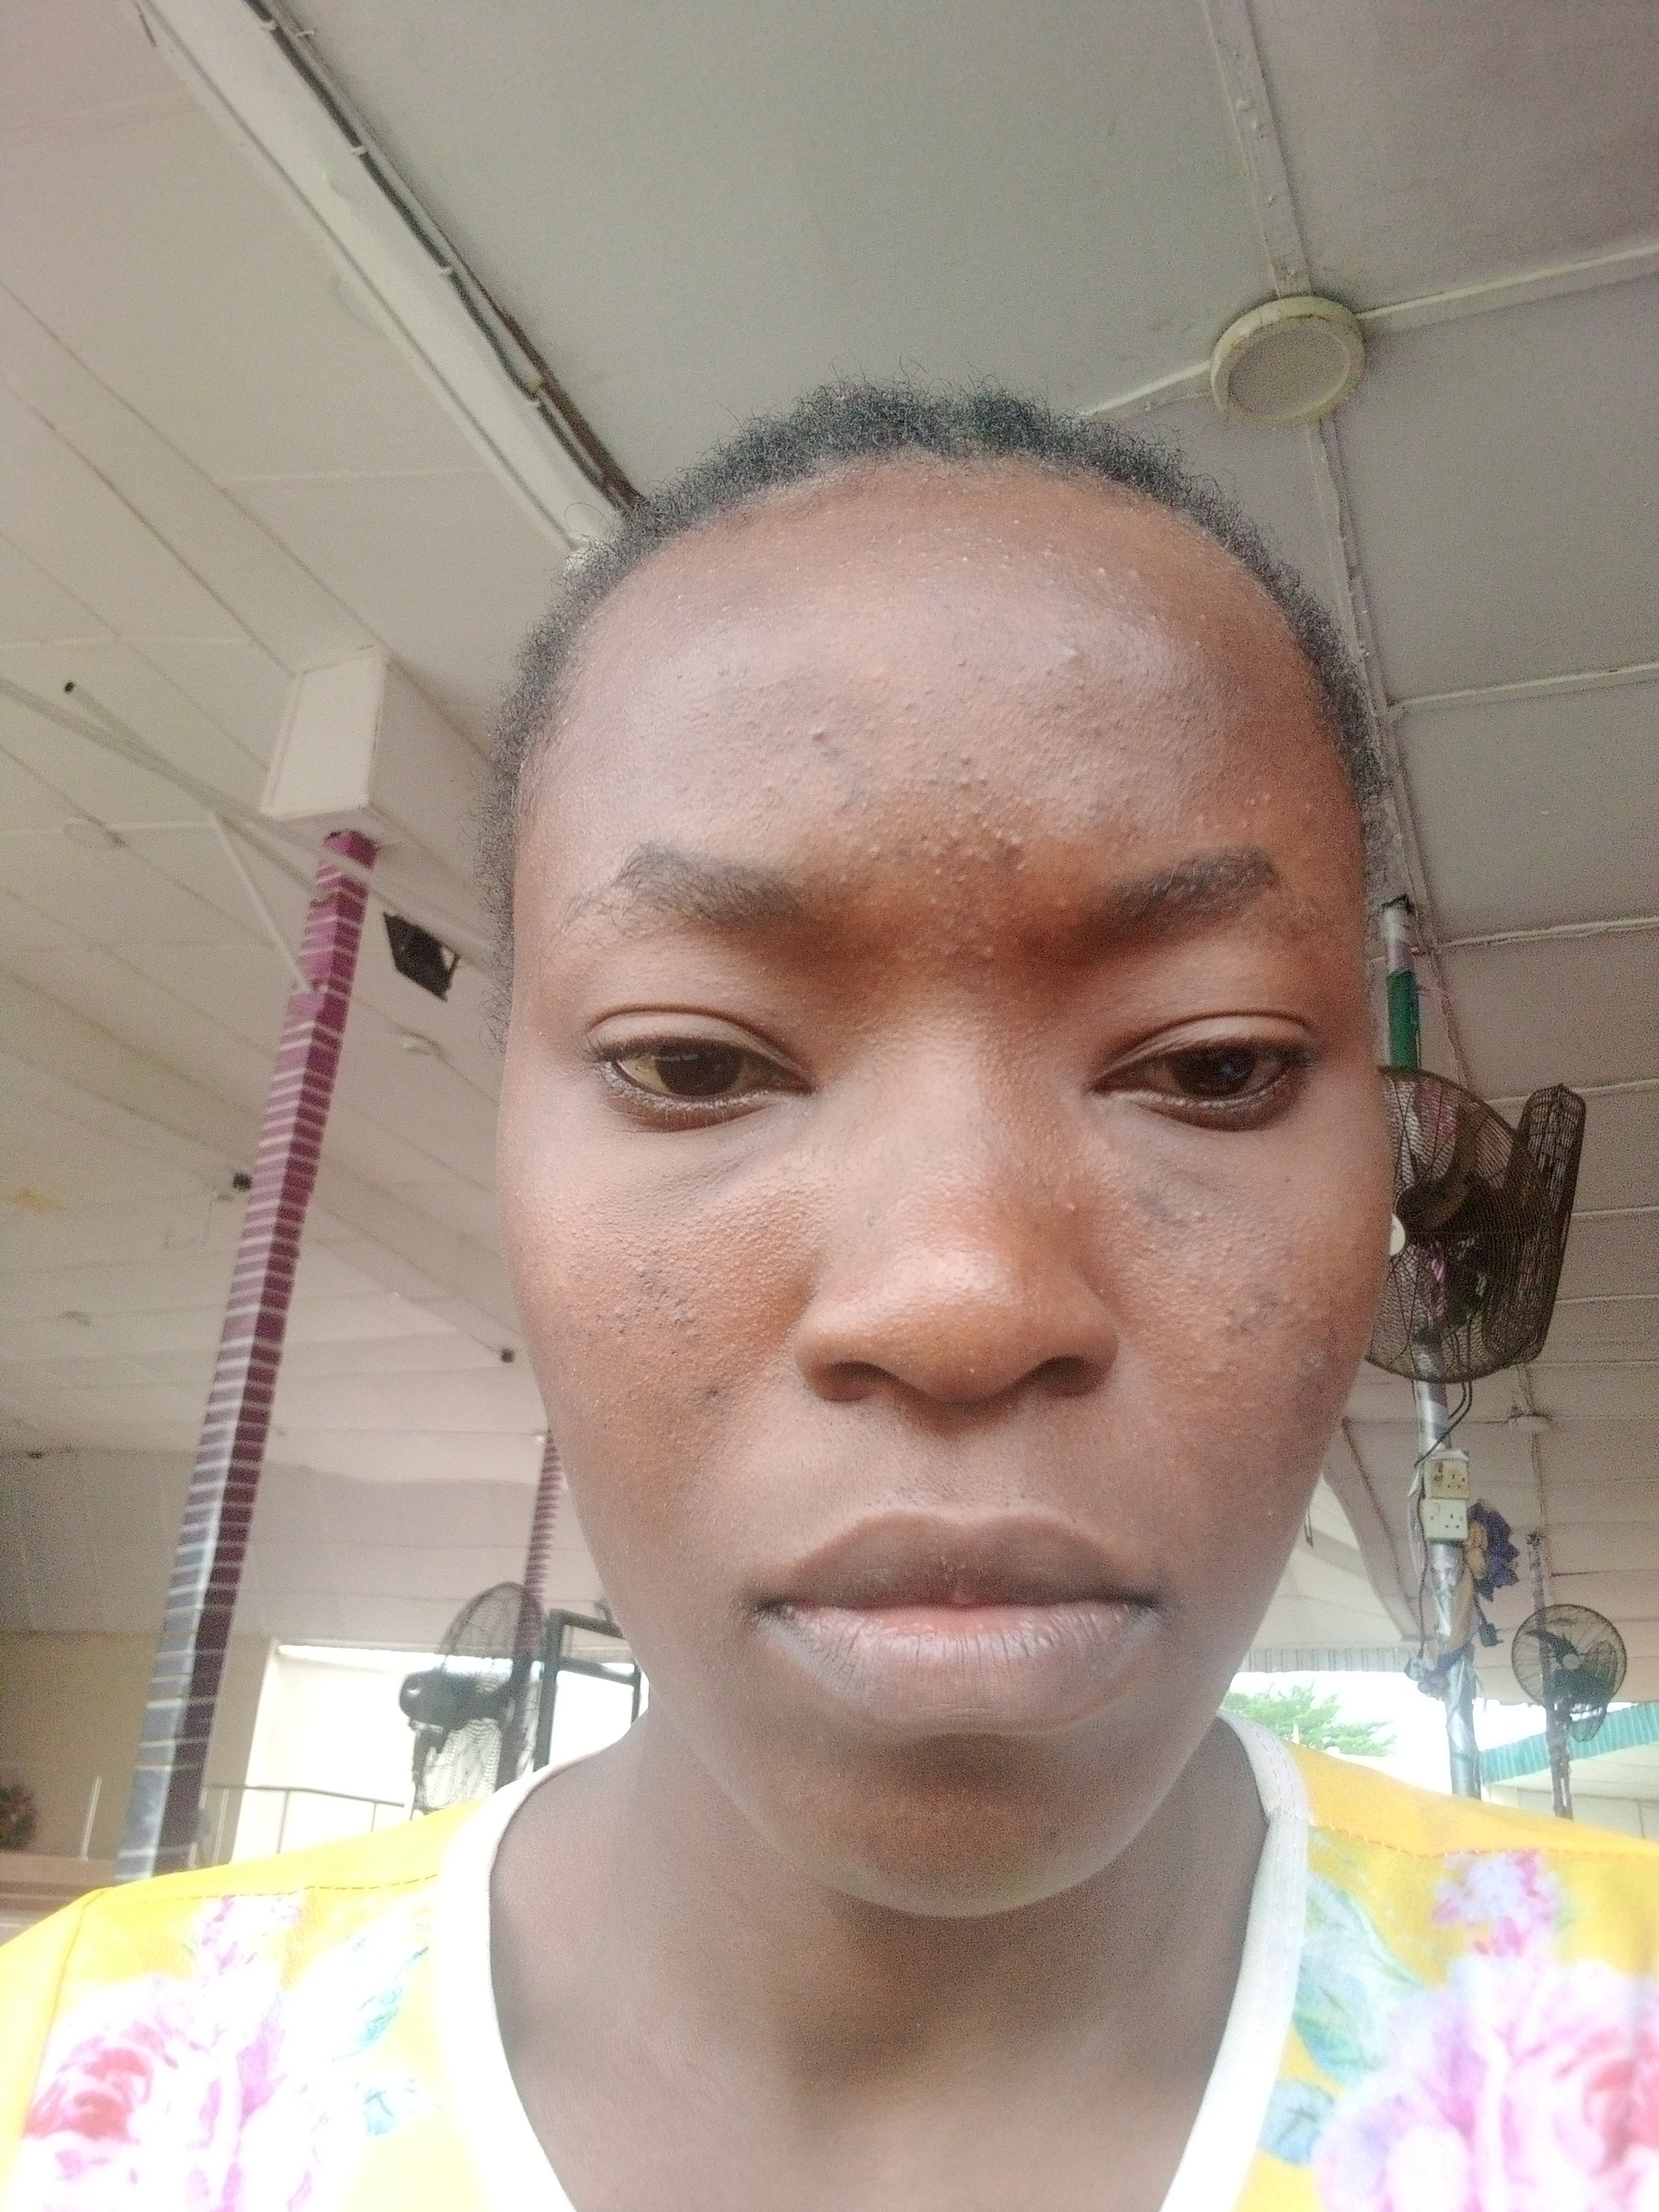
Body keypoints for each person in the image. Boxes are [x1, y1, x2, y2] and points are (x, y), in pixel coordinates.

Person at [2, 385, 1654, 2212]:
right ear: (506, 1144)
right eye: (695, 1065)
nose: (962, 1302)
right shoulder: (81, 2098)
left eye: (1215, 1065)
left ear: (1383, 1173)